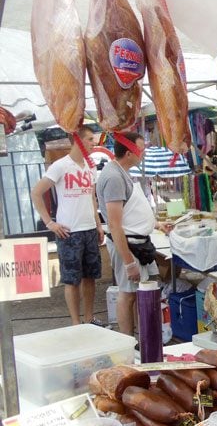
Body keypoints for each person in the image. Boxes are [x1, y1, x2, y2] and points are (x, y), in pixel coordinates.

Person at [96, 132, 173, 336]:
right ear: (129, 153)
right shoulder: (113, 177)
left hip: (138, 243)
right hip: (127, 246)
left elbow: (131, 212)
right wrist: (129, 262)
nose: (144, 153)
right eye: (141, 149)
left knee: (142, 292)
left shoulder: (123, 172)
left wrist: (156, 224)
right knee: (128, 294)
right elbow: (114, 224)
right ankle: (129, 341)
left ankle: (145, 337)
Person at [31, 125, 104, 326]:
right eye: (89, 139)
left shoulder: (91, 166)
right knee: (72, 279)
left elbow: (92, 197)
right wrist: (50, 223)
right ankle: (75, 323)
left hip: (89, 228)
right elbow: (36, 192)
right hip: (69, 231)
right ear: (78, 141)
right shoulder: (60, 165)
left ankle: (89, 319)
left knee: (90, 277)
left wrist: (98, 224)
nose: (93, 143)